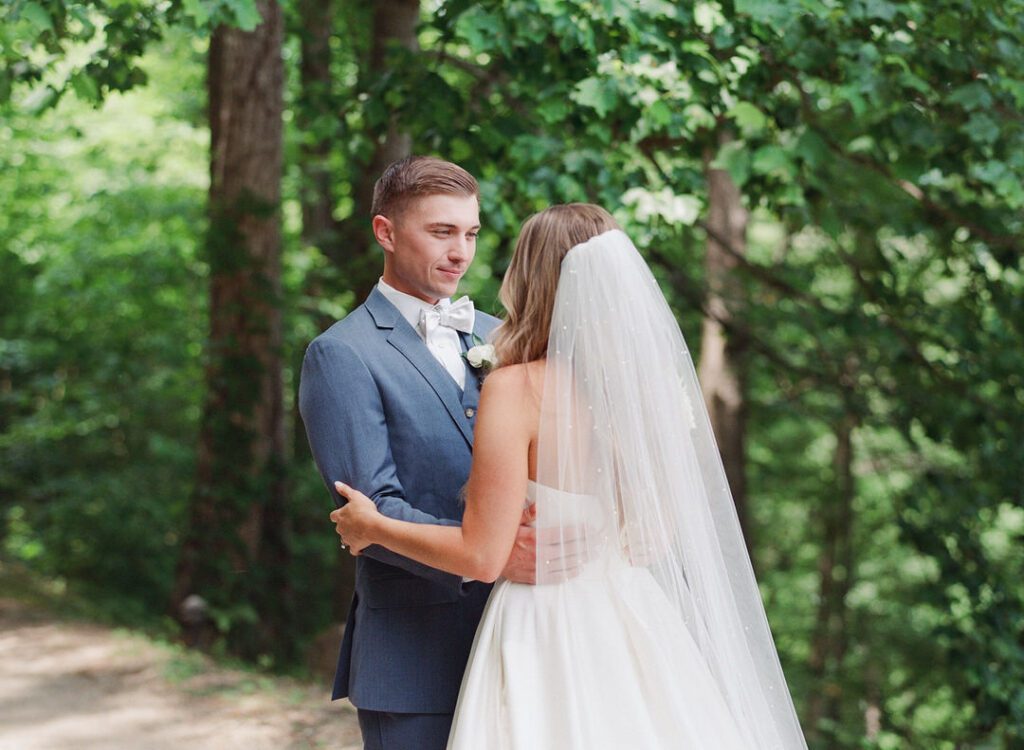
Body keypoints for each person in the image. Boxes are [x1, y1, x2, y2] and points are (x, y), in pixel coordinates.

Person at [332, 204, 810, 749]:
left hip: (545, 625)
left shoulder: (516, 389)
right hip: (631, 621)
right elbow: (651, 538)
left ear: (532, 276)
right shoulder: (644, 395)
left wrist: (373, 526)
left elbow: (483, 555)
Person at [298, 156, 543, 750]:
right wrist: (488, 554)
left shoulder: (501, 336)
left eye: (471, 234)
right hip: (414, 661)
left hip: (527, 646)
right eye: (441, 232)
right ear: (385, 232)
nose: (461, 252)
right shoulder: (342, 355)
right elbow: (372, 507)